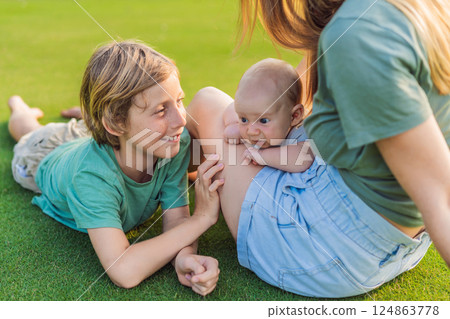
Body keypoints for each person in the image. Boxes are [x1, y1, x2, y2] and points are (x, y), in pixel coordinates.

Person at [186, 0, 450, 298]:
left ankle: (155, 179)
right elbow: (296, 91)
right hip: (397, 247)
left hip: (326, 248)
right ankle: (181, 176)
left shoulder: (357, 33)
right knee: (229, 117)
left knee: (208, 103)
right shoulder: (416, 7)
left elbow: (441, 197)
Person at [8, 40, 223, 296]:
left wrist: (184, 257)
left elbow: (176, 218)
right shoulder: (91, 179)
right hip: (44, 152)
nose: (181, 120)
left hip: (103, 137)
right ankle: (19, 107)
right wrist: (203, 218)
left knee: (88, 129)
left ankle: (87, 119)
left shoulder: (170, 144)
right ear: (116, 122)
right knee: (29, 130)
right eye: (160, 110)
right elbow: (124, 271)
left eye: (179, 101)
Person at [222, 58, 313, 173]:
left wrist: (262, 155)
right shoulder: (260, 126)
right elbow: (231, 107)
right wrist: (233, 124)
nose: (251, 131)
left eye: (263, 121)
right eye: (244, 119)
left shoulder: (300, 133)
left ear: (294, 116)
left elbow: (302, 159)